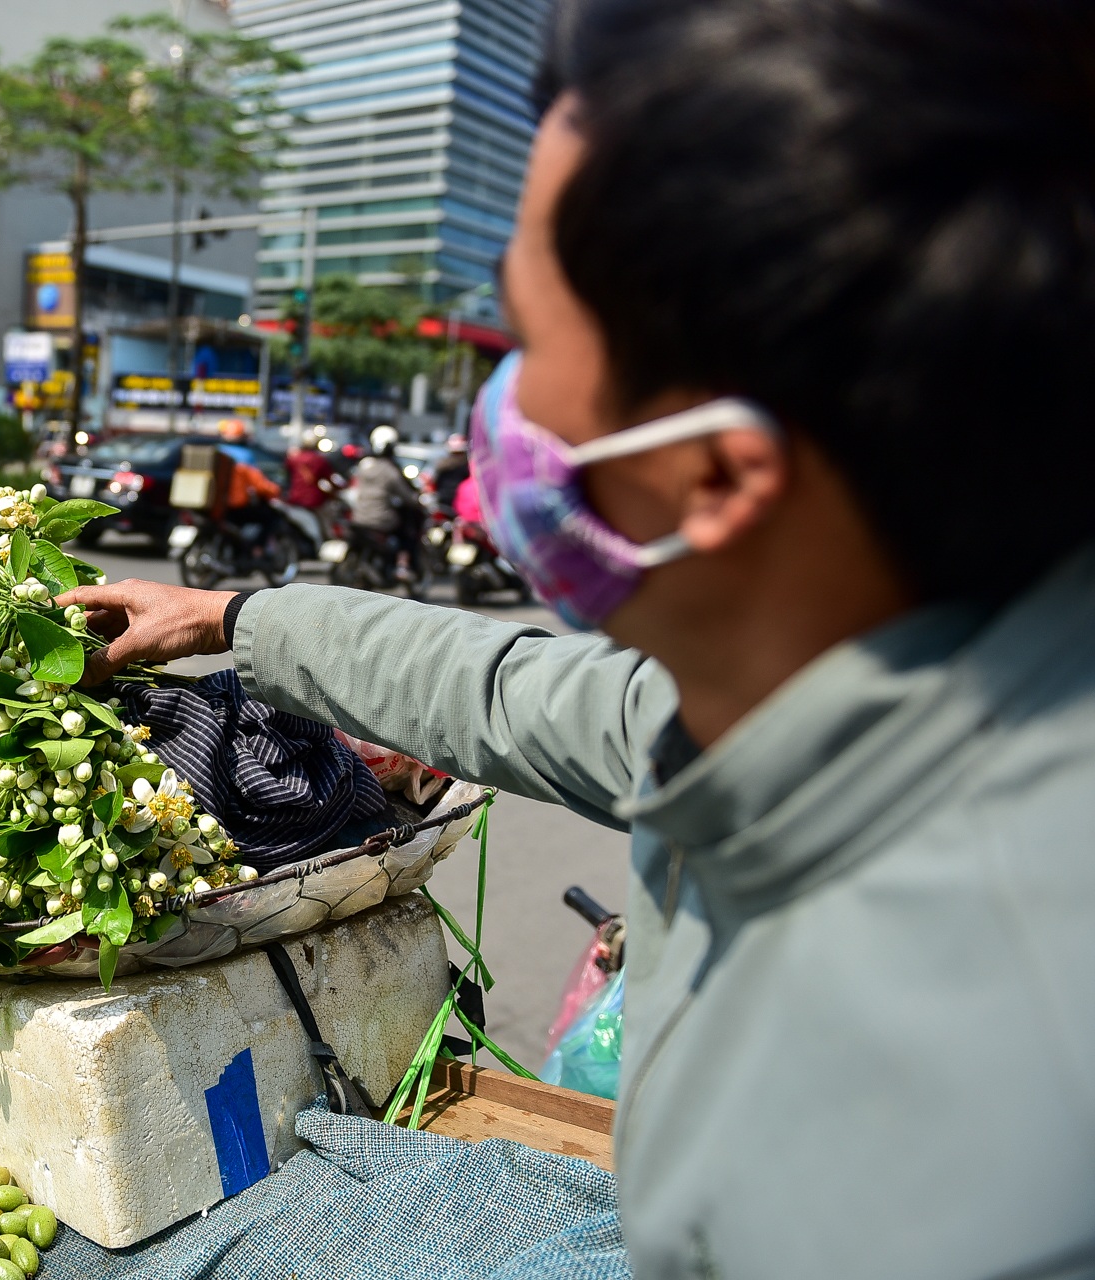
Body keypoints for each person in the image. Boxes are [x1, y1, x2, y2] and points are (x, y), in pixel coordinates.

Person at [58, 0, 1095, 1274]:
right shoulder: (822, 677)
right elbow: (517, 689)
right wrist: (226, 615)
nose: (502, 404)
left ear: (715, 476)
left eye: (531, 340)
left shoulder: (964, 1137)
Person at [349, 424, 422, 579]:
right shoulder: (390, 471)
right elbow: (408, 497)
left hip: (358, 516)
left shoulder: (364, 466)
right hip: (381, 519)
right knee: (407, 532)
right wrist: (418, 501)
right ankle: (402, 566)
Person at [285, 428, 341, 511]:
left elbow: (287, 472)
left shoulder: (294, 459)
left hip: (295, 500)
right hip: (313, 501)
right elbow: (331, 478)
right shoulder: (319, 460)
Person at [430, 434, 470, 509]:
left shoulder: (442, 463)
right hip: (459, 500)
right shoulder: (468, 465)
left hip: (445, 498)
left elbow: (435, 480)